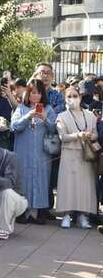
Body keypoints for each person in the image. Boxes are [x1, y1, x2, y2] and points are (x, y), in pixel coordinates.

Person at [11, 79, 56, 225]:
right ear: (28, 94)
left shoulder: (48, 109)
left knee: (41, 179)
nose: (35, 96)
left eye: (38, 93)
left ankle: (38, 211)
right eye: (33, 93)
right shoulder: (21, 108)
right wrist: (28, 116)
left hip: (41, 153)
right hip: (23, 152)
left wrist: (45, 119)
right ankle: (23, 211)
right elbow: (14, 127)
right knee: (23, 179)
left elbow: (54, 130)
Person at [55, 85, 98, 229]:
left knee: (85, 187)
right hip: (69, 153)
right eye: (69, 96)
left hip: (86, 155)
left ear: (80, 97)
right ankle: (66, 215)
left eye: (75, 95)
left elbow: (96, 134)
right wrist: (78, 135)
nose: (72, 99)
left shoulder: (90, 115)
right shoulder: (61, 116)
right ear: (65, 99)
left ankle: (82, 216)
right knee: (68, 185)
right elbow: (63, 137)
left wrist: (90, 135)